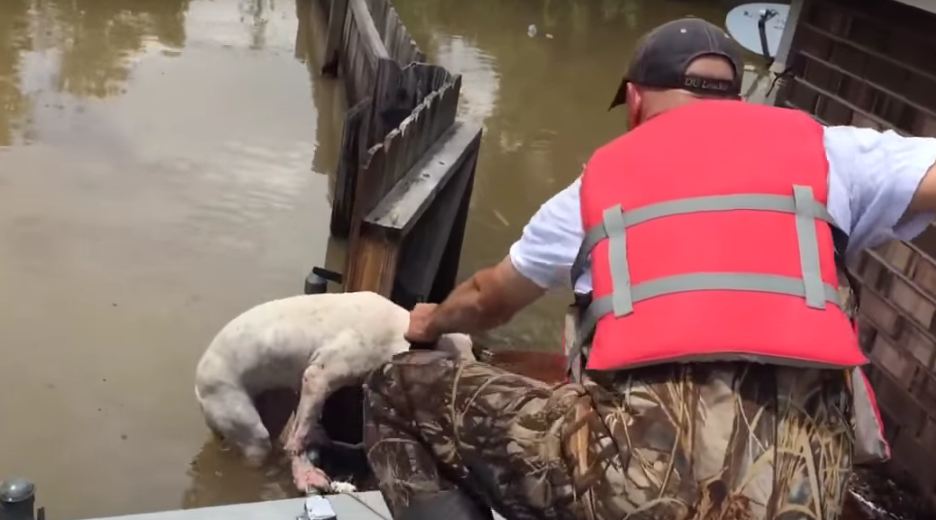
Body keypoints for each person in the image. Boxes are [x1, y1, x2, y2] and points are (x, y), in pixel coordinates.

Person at [362, 17, 936, 520]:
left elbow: (490, 298)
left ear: (636, 100)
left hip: (642, 493)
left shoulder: (596, 189)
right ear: (736, 96)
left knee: (395, 392)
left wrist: (430, 323)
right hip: (802, 494)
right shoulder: (834, 155)